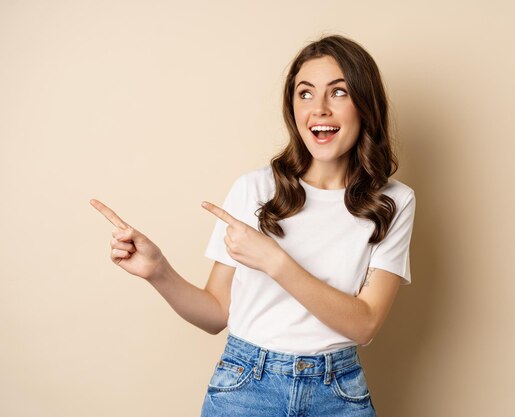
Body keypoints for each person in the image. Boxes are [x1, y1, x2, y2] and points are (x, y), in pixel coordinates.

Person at [90, 34, 415, 417]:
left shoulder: (393, 201)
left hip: (338, 393)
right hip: (246, 386)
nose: (320, 109)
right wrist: (158, 271)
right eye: (305, 94)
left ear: (366, 104)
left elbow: (365, 325)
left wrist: (275, 262)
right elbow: (216, 314)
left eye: (339, 92)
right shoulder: (255, 189)